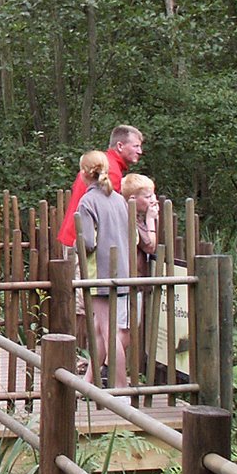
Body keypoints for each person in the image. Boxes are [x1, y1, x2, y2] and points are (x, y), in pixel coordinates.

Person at [76, 150, 131, 391]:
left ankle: (120, 389)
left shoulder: (87, 201)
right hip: (122, 271)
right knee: (100, 328)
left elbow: (87, 241)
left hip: (101, 273)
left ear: (83, 174)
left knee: (108, 331)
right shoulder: (119, 199)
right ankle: (88, 382)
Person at [58, 125, 143, 247]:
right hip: (83, 242)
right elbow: (106, 215)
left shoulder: (100, 162)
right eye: (136, 146)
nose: (140, 151)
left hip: (75, 236)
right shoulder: (110, 170)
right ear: (120, 146)